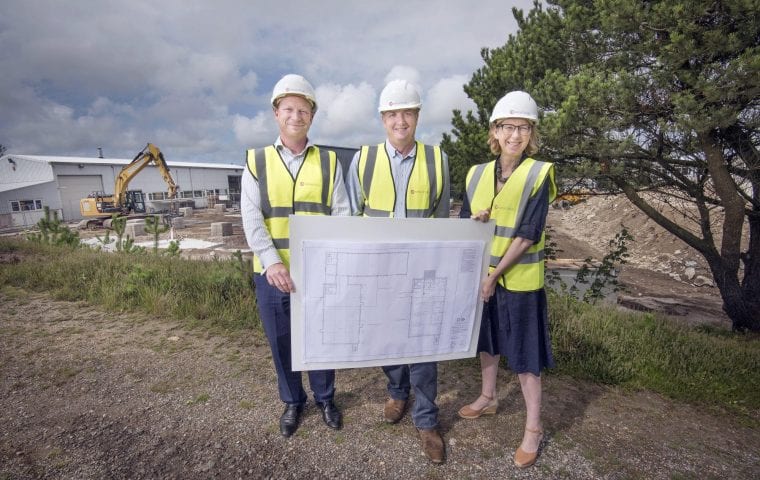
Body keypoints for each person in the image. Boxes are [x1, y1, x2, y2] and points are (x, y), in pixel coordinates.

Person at [346, 79, 450, 464]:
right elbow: (352, 216)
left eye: (407, 112)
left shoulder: (437, 160)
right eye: (392, 114)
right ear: (382, 119)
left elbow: (441, 220)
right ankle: (396, 390)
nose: (400, 121)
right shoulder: (364, 159)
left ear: (417, 116)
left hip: (422, 272)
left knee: (423, 347)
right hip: (379, 272)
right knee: (387, 338)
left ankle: (426, 420)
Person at [241, 74, 350, 438]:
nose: (296, 115)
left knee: (321, 337)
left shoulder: (330, 162)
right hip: (271, 274)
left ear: (312, 116)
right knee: (281, 339)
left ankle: (325, 398)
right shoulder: (257, 161)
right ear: (276, 113)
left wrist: (328, 263)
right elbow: (252, 219)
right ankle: (292, 401)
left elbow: (342, 215)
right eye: (289, 108)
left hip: (318, 273)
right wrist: (272, 262)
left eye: (304, 109)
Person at [456, 91, 556, 469]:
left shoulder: (538, 174)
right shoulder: (477, 173)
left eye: (523, 127)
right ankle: (489, 397)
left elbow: (528, 232)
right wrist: (474, 221)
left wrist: (493, 276)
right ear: (494, 131)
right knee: (489, 342)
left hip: (519, 281)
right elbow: (465, 222)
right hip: (484, 279)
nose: (515, 134)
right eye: (508, 127)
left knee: (526, 357)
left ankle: (533, 429)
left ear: (532, 134)